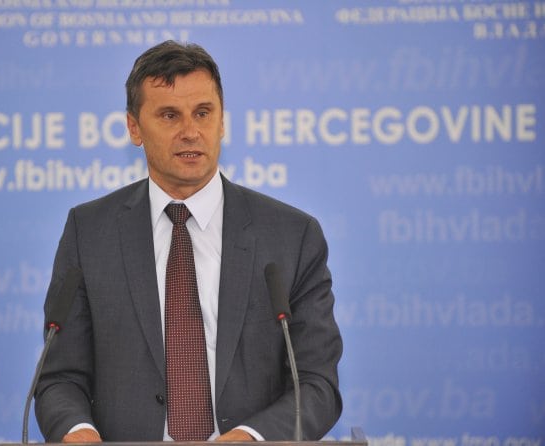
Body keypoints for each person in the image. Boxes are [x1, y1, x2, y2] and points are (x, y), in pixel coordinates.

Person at [35, 40, 342, 443]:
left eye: (203, 112)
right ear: (134, 128)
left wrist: (251, 437)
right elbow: (59, 378)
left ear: (222, 122)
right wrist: (79, 432)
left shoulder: (292, 237)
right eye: (169, 115)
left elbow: (316, 384)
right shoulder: (89, 232)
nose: (191, 132)